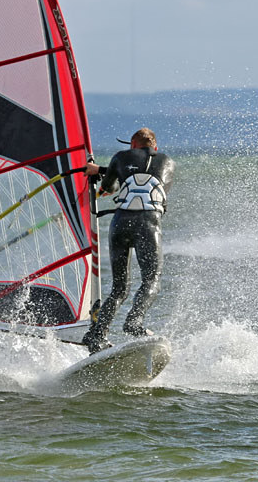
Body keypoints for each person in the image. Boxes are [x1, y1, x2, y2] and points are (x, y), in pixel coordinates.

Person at [81, 128, 175, 354]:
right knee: (152, 279)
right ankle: (134, 321)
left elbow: (109, 187)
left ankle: (97, 335)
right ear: (155, 146)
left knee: (119, 288)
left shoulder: (121, 157)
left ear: (132, 144)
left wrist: (99, 174)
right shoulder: (168, 162)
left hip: (120, 224)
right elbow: (155, 183)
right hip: (148, 225)